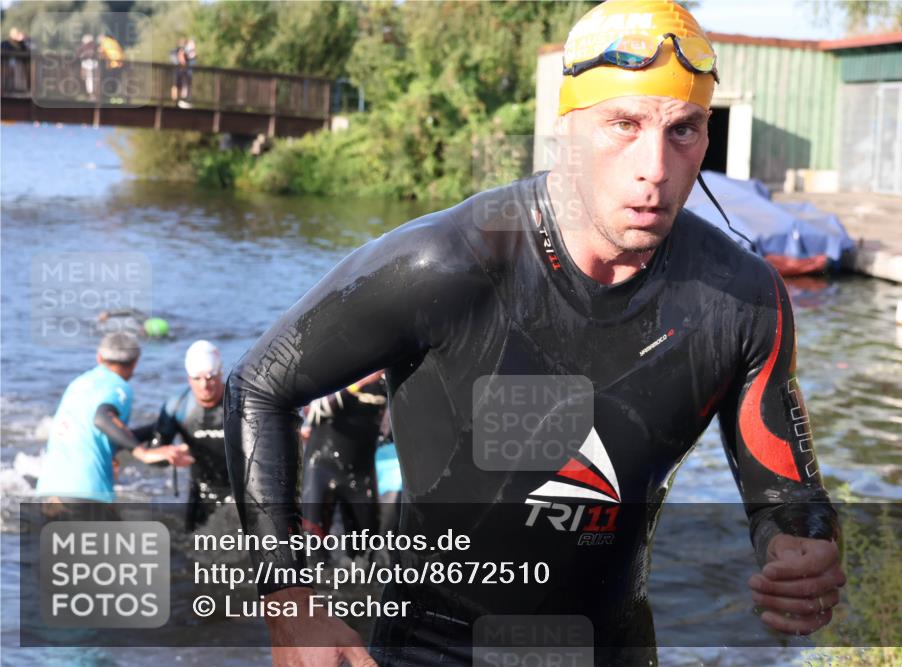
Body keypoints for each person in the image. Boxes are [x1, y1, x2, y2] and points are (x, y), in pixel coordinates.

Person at [224, 1, 844, 664]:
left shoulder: (744, 300)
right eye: (624, 124)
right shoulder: (447, 264)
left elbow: (789, 497)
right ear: (567, 128)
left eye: (683, 130)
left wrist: (800, 548)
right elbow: (258, 385)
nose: (656, 169)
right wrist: (290, 603)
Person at [35, 333, 193, 504]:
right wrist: (144, 453)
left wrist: (163, 426)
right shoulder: (118, 386)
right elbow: (103, 419)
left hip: (48, 492)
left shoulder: (78, 384)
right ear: (135, 362)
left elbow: (108, 436)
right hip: (87, 492)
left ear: (99, 357)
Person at [139, 340, 230, 530]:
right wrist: (169, 456)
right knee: (194, 543)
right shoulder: (178, 406)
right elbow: (157, 451)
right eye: (197, 378)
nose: (205, 385)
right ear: (189, 378)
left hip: (242, 488)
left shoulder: (239, 401)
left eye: (211, 377)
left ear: (221, 373)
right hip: (202, 489)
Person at [299, 370, 387, 557]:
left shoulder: (386, 380)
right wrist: (359, 383)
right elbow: (313, 414)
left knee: (367, 554)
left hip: (360, 474)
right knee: (312, 548)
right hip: (321, 465)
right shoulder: (339, 369)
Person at [76, 34, 98, 101]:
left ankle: (92, 95)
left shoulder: (93, 46)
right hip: (87, 64)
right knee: (88, 79)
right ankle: (90, 95)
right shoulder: (85, 46)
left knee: (91, 79)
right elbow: (79, 54)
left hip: (91, 64)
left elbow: (80, 53)